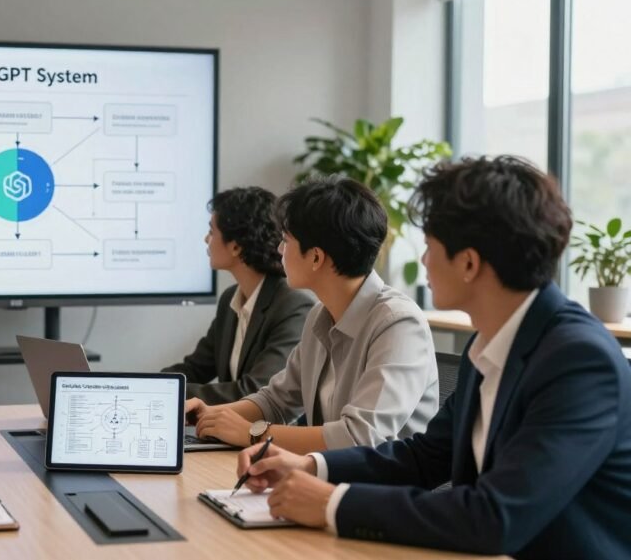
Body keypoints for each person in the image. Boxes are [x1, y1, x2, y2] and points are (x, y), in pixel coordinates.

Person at [235, 156, 631, 559]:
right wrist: (313, 467)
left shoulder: (578, 361)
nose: (423, 261)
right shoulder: (494, 343)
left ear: (469, 263)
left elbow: (495, 518)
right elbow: (424, 457)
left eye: (429, 247)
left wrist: (331, 504)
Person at [188, 176, 438, 451]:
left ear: (316, 257)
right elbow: (275, 400)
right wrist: (212, 416)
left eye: (285, 240)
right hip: (330, 479)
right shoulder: (320, 316)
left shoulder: (398, 324)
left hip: (384, 489)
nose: (280, 249)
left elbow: (358, 437)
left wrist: (252, 434)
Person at [162, 187, 314, 403]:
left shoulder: (293, 306)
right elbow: (195, 368)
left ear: (235, 246)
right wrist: (142, 385)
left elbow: (255, 391)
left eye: (212, 232)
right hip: (231, 433)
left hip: (270, 433)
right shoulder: (230, 300)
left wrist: (165, 393)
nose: (207, 239)